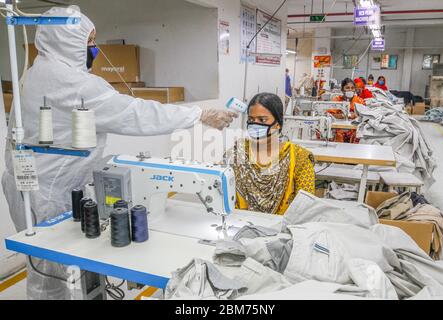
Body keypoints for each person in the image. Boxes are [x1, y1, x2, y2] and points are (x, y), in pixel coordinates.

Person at [2, 6, 237, 300]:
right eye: (88, 43)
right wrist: (201, 115)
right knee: (50, 272)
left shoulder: (39, 71)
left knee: (58, 263)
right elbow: (137, 114)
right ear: (68, 43)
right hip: (48, 192)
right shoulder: (71, 83)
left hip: (34, 183)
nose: (94, 50)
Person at [226, 93, 315, 215]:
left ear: (278, 123)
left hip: (284, 228)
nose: (255, 124)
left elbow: (306, 206)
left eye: (262, 120)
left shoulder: (299, 158)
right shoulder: (237, 154)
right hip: (240, 223)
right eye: (251, 120)